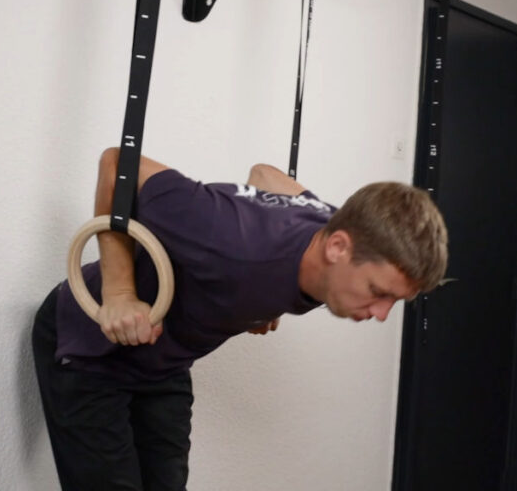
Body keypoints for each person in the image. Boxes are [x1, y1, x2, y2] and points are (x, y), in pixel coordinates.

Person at [33, 148, 448, 490]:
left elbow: (264, 174)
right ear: (337, 248)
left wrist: (263, 300)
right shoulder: (230, 238)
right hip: (91, 345)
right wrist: (120, 292)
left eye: (396, 301)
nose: (381, 314)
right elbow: (119, 165)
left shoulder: (336, 226)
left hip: (163, 360)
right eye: (379, 293)